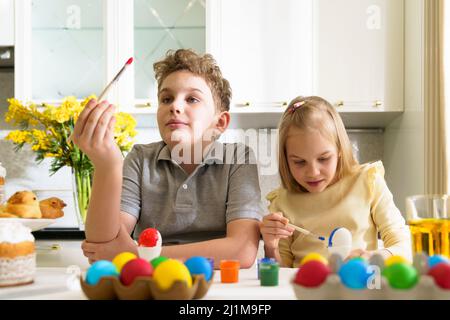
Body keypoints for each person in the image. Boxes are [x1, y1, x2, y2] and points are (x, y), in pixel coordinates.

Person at [72, 49, 263, 268]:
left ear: (219, 123)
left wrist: (138, 255)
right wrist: (108, 166)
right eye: (166, 98)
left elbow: (241, 251)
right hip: (150, 282)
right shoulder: (140, 158)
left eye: (192, 99)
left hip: (219, 283)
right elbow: (102, 247)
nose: (175, 106)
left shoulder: (238, 159)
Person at [260, 96, 412, 267]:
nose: (313, 172)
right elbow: (281, 272)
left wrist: (376, 257)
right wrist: (270, 247)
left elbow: (405, 246)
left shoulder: (368, 182)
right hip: (306, 292)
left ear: (340, 149)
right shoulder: (282, 202)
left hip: (359, 288)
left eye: (324, 158)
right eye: (299, 162)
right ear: (285, 159)